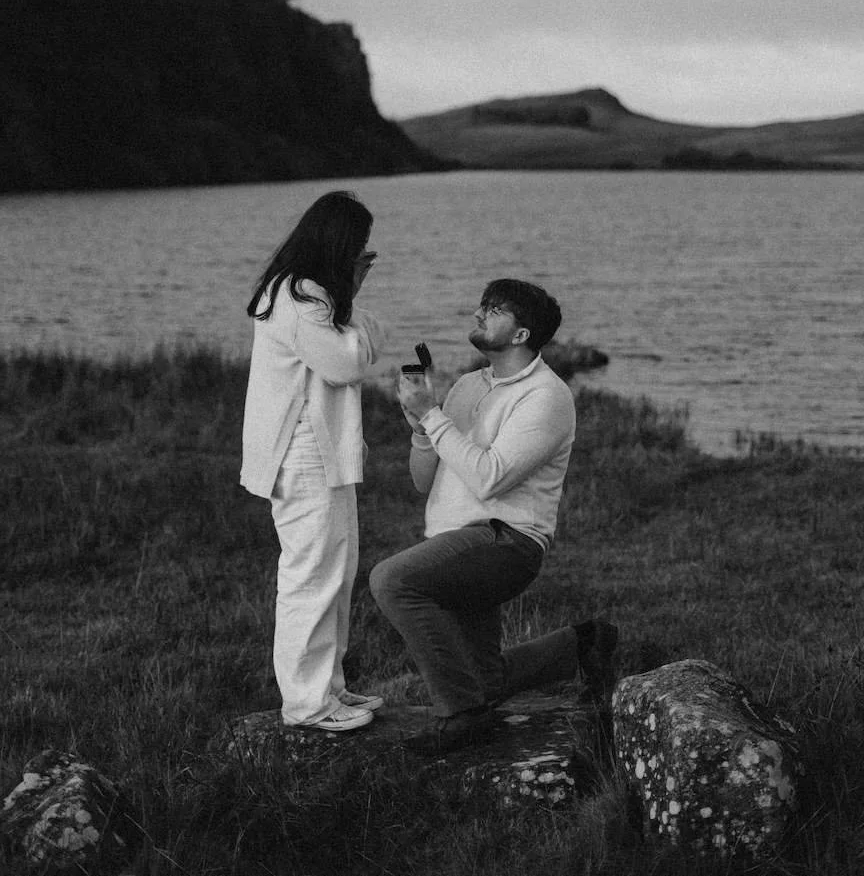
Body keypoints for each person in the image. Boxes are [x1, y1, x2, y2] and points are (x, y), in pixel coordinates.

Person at [369, 278, 617, 756]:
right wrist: (420, 427)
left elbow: (490, 478)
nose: (479, 314)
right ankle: (584, 643)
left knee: (391, 580)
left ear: (522, 335)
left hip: (506, 543)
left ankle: (463, 716)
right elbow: (423, 481)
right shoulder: (468, 385)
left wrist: (434, 417)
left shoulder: (546, 395)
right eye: (482, 305)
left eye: (495, 310)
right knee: (485, 680)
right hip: (455, 544)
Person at [240, 190, 387, 732]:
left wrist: (350, 300)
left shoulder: (311, 294)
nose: (363, 254)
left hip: (317, 452)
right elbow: (347, 363)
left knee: (336, 572)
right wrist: (352, 296)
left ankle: (329, 687)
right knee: (312, 577)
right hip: (302, 453)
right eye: (358, 246)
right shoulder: (300, 297)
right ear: (338, 245)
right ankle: (306, 704)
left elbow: (366, 337)